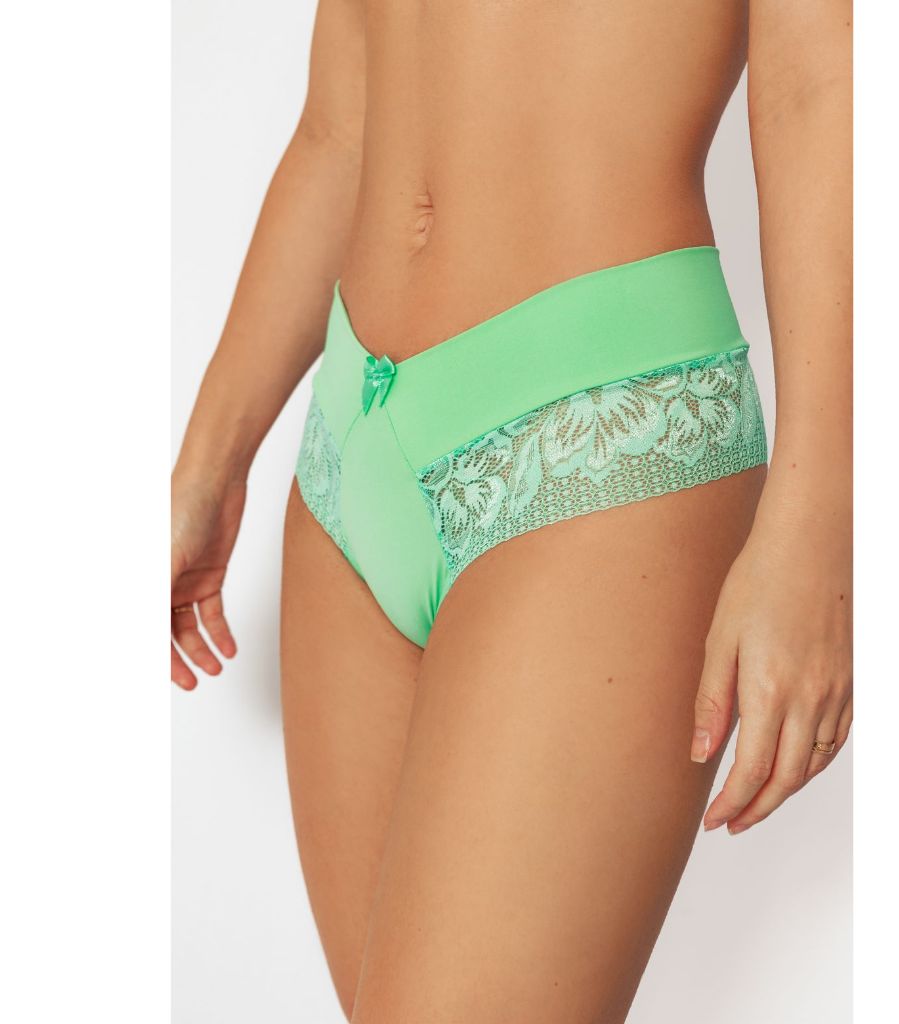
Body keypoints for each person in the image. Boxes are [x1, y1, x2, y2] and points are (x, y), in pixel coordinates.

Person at [170, 0, 852, 1019]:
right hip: (352, 442)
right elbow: (341, 116)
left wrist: (816, 528)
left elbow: (819, 79)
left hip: (603, 431)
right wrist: (210, 460)